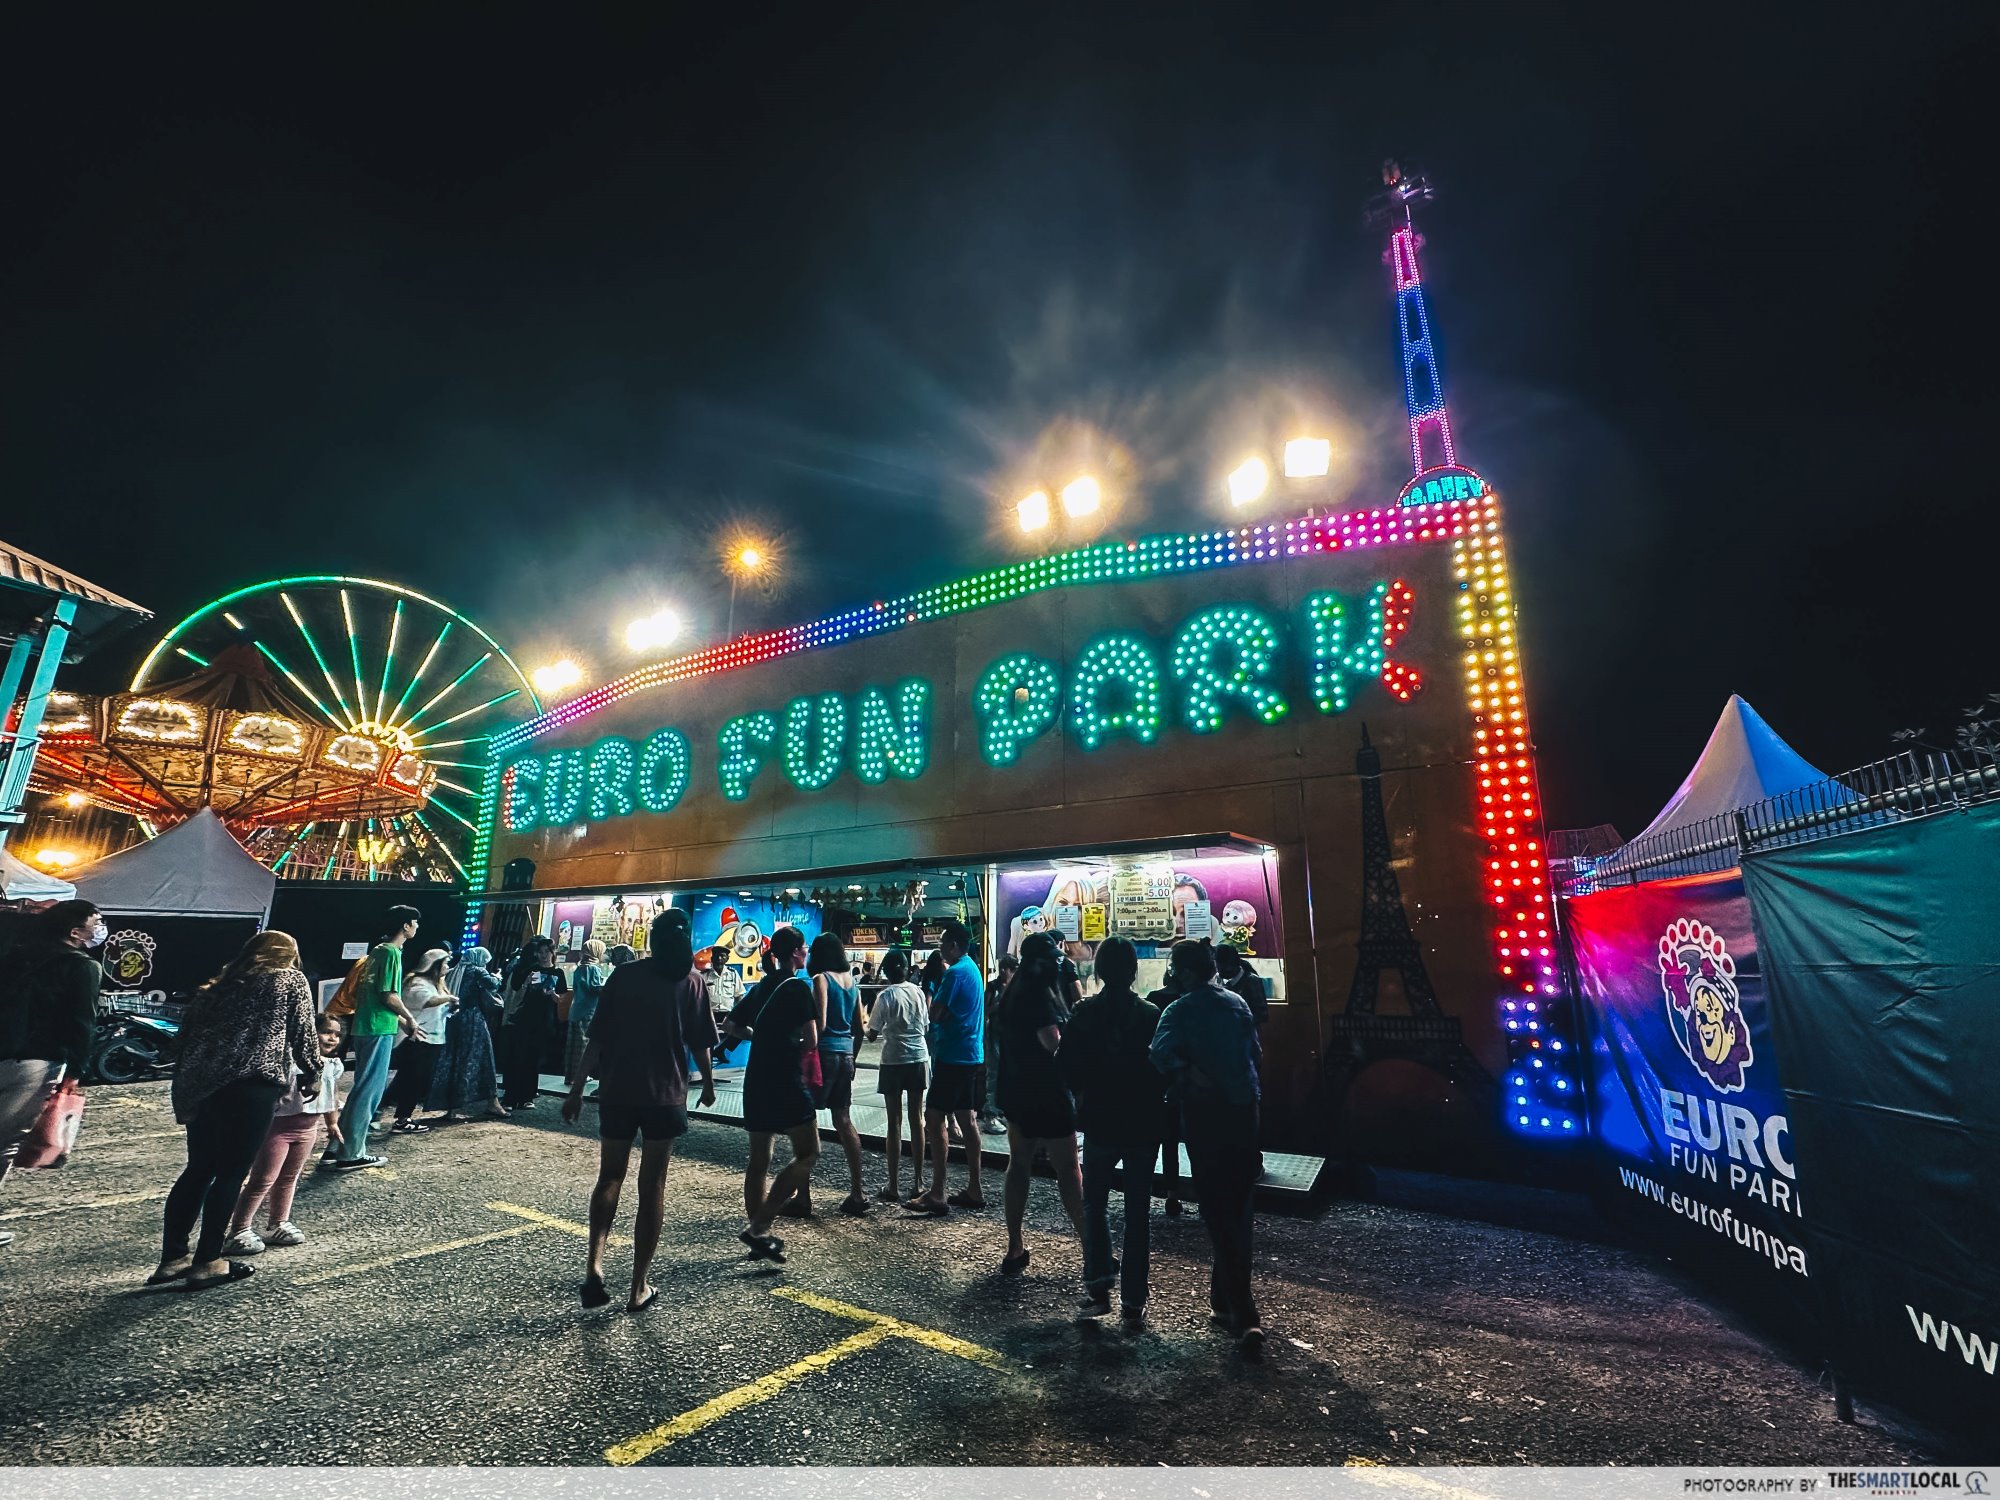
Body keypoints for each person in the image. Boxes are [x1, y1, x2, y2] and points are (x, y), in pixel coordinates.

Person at [561, 911, 717, 1313]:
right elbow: (701, 1043)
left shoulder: (625, 975)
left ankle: (595, 1264)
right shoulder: (692, 981)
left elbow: (597, 1038)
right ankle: (638, 1286)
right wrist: (711, 1084)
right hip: (664, 1097)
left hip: (618, 1090)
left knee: (610, 1176)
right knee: (653, 1187)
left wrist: (576, 1090)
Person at [152, 930, 319, 1289]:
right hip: (250, 1084)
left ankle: (172, 1257)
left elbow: (182, 1040)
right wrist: (314, 1072)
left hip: (200, 1085)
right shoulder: (288, 979)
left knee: (198, 1169)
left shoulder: (219, 986)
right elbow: (303, 1032)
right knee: (231, 1172)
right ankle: (209, 1260)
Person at [1151, 938, 1266, 1359]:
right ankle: (1226, 1299)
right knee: (1239, 1207)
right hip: (1245, 1112)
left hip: (1205, 1116)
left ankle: (1244, 1310)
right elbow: (1255, 1053)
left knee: (1216, 1209)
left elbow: (1159, 1054)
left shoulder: (1178, 1010)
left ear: (1180, 972)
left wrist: (1191, 1072)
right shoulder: (1237, 1003)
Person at [1060, 936, 1166, 1325]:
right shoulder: (1151, 1013)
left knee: (1095, 1205)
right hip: (1142, 1122)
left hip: (1101, 1119)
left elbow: (1065, 1064)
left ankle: (1099, 1285)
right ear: (1134, 971)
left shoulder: (1085, 1012)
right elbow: (1163, 1068)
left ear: (1099, 970)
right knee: (1138, 1212)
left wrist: (1084, 1092)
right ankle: (1134, 1302)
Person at [0, 900, 104, 1249]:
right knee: (5, 1140)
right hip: (34, 1060)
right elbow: (80, 1021)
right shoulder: (81, 966)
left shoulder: (18, 953)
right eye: (96, 921)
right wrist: (76, 1069)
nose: (100, 927)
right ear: (75, 932)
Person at [992, 932, 1084, 1275]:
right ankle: (1092, 1247)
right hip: (1047, 1094)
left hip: (1017, 1092)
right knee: (1069, 1171)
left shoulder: (1013, 992)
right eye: (1055, 960)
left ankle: (1015, 1246)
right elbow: (1052, 1045)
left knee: (1019, 1165)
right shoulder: (1040, 996)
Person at [224, 1012, 346, 1254]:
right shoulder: (288, 1060)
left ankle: (277, 1223)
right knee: (262, 1179)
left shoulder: (333, 1065)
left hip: (308, 1130)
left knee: (290, 1177)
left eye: (337, 1034)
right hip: (277, 1129)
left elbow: (331, 1097)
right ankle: (238, 1229)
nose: (332, 1038)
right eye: (326, 1032)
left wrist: (332, 1124)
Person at [734, 926, 816, 1262]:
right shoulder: (799, 987)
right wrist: (787, 1042)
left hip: (756, 1078)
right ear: (796, 952)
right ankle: (761, 1225)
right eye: (804, 948)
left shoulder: (761, 986)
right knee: (809, 1152)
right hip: (785, 1078)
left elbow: (733, 1027)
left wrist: (760, 1037)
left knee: (758, 1161)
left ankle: (759, 1234)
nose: (806, 952)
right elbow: (811, 1040)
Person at [333, 906, 423, 1169]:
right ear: (405, 926)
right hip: (378, 1027)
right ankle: (352, 1153)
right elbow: (389, 995)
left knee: (361, 1089)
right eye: (415, 923)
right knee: (369, 1092)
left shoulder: (376, 952)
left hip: (364, 1024)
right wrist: (410, 1018)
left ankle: (337, 1146)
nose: (417, 928)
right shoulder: (392, 953)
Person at [908, 920, 986, 1215]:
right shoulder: (973, 969)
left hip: (953, 1055)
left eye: (942, 943)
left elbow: (935, 1013)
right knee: (967, 1119)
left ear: (954, 945)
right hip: (971, 1054)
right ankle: (974, 1188)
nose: (939, 948)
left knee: (934, 1117)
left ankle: (938, 1191)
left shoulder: (954, 973)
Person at [808, 933, 869, 1217]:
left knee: (806, 1120)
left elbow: (819, 1024)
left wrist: (802, 1047)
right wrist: (852, 1058)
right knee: (844, 1120)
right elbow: (860, 1029)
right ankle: (858, 1191)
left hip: (825, 1055)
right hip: (845, 1054)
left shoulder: (821, 979)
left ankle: (802, 1193)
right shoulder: (852, 982)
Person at [866, 949, 928, 1203]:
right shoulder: (918, 992)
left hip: (893, 1060)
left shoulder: (885, 996)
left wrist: (860, 1025)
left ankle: (893, 1183)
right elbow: (924, 1025)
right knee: (917, 1118)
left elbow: (872, 1033)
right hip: (918, 1057)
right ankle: (918, 1182)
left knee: (894, 1122)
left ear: (887, 971)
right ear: (906, 969)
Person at [429, 946, 507, 1121]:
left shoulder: (455, 970)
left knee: (455, 1060)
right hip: (473, 1021)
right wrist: (497, 976)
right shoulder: (477, 971)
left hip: (453, 1021)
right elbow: (493, 985)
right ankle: (492, 1102)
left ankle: (452, 1108)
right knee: (483, 1059)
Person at [388, 947, 453, 1133]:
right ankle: (400, 1118)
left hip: (433, 1038)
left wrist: (450, 1007)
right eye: (444, 963)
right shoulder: (417, 982)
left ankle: (400, 1116)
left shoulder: (437, 983)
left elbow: (437, 1008)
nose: (447, 967)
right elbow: (427, 1001)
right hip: (418, 1038)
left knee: (412, 1080)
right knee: (411, 1080)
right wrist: (448, 998)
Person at [500, 936, 565, 1110]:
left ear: (553, 953)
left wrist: (554, 996)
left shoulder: (558, 973)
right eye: (541, 952)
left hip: (545, 1019)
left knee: (534, 1059)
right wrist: (527, 984)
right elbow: (520, 991)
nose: (544, 955)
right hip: (527, 1016)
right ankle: (512, 1096)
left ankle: (528, 1096)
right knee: (520, 1056)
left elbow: (561, 997)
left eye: (547, 952)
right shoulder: (532, 969)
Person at [1144, 964, 1189, 1216]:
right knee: (1189, 1139)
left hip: (1158, 1077)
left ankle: (1152, 1189)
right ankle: (1178, 1194)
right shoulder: (1188, 1003)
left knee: (1159, 1139)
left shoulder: (1153, 1000)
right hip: (1186, 1076)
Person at [978, 953, 1017, 1136]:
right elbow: (984, 1011)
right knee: (993, 1074)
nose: (1003, 971)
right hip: (994, 1035)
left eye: (1006, 968)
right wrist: (997, 1006)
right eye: (1001, 967)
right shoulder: (993, 987)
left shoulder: (1017, 987)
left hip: (1011, 1038)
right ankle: (990, 1113)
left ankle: (1002, 1110)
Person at [567, 940, 611, 1085]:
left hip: (576, 1009)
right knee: (583, 1045)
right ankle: (580, 1076)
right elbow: (594, 988)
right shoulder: (593, 969)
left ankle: (570, 1076)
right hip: (588, 1010)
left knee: (573, 1045)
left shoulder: (579, 968)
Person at [704, 945, 744, 1063]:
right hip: (709, 1014)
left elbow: (739, 996)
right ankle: (708, 1064)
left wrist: (736, 1014)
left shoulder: (733, 974)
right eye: (717, 956)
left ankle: (721, 1049)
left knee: (744, 1027)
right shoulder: (705, 975)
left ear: (727, 959)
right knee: (706, 1035)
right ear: (712, 958)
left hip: (729, 1014)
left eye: (723, 956)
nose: (719, 958)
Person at [1215, 944, 1270, 1025]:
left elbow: (1262, 1014)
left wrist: (1237, 1021)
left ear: (1234, 965)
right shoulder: (1217, 978)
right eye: (1218, 969)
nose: (1220, 973)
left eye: (1224, 969)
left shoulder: (1252, 981)